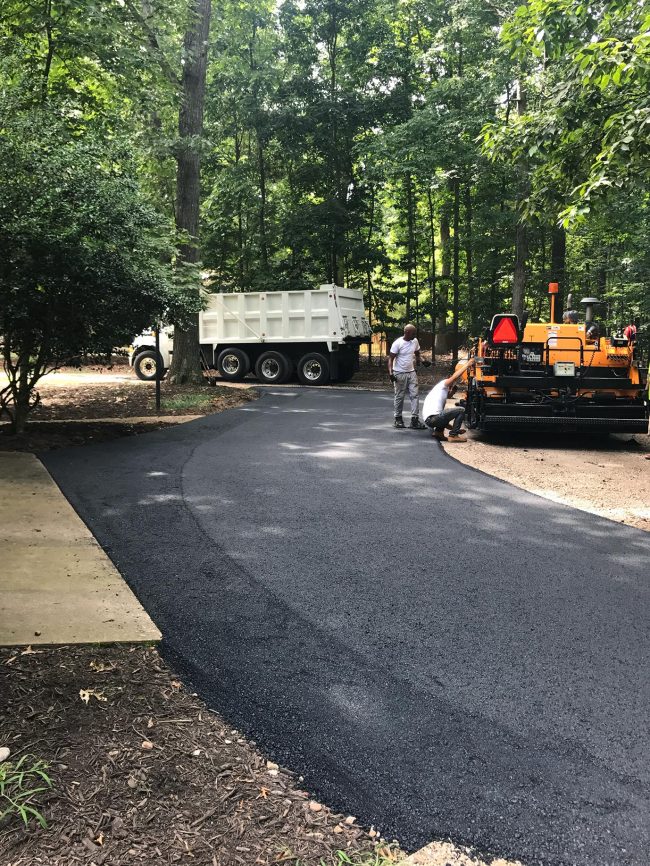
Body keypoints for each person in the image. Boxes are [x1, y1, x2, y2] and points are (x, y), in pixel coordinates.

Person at [421, 358, 476, 442]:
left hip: (430, 420)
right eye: (453, 393)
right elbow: (454, 377)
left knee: (445, 413)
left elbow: (443, 420)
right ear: (450, 389)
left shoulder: (439, 395)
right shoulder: (444, 384)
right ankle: (453, 436)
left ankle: (438, 433)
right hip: (432, 418)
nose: (451, 396)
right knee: (461, 410)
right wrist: (467, 365)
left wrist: (455, 429)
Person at [388, 324, 426, 429]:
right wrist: (391, 373)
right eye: (413, 333)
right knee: (399, 396)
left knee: (415, 395)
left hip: (411, 372)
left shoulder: (415, 341)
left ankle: (414, 420)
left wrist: (422, 361)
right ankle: (398, 419)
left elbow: (417, 353)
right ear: (407, 332)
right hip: (399, 373)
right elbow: (390, 359)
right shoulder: (398, 343)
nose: (415, 335)